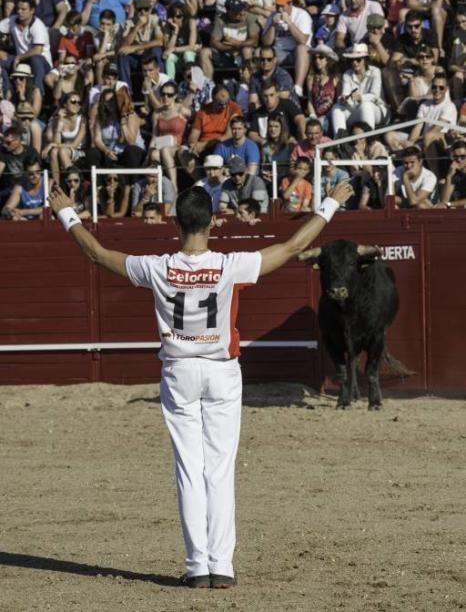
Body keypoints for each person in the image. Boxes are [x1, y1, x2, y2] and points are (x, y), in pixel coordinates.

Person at [48, 171, 353, 589]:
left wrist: (66, 212)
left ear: (176, 224)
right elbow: (295, 245)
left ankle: (196, 567)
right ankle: (221, 565)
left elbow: (99, 254)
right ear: (212, 222)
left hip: (178, 373)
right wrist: (331, 202)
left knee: (189, 470)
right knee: (219, 470)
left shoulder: (157, 267)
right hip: (221, 372)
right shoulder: (231, 266)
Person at [439, 139, 466, 207]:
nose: (458, 160)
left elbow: (447, 203)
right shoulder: (455, 174)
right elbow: (444, 200)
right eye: (455, 157)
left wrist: (450, 204)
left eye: (462, 157)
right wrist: (449, 175)